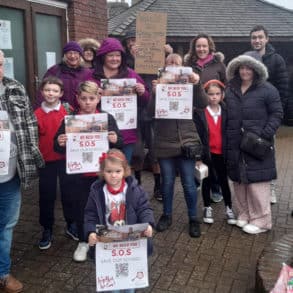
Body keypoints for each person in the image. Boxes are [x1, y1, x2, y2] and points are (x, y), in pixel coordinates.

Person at [54, 81, 123, 262]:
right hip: (79, 175)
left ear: (98, 98)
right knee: (82, 208)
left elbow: (120, 142)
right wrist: (60, 142)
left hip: (104, 175)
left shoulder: (106, 118)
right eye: (83, 98)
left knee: (107, 206)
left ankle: (105, 239)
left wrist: (115, 138)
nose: (87, 102)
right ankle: (84, 241)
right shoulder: (70, 119)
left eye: (91, 98)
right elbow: (58, 146)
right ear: (77, 98)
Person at [149, 53, 208, 237]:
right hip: (164, 140)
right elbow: (150, 112)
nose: (173, 64)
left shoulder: (190, 82)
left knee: (189, 183)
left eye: (177, 62)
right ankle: (167, 215)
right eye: (170, 62)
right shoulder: (158, 84)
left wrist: (197, 84)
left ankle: (193, 218)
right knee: (166, 182)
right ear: (164, 65)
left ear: (183, 65)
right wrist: (154, 94)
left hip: (186, 140)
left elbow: (203, 104)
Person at [0, 50, 44, 293]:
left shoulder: (15, 88)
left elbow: (29, 122)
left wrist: (31, 150)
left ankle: (2, 273)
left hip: (10, 172)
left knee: (6, 225)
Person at [225, 55, 283, 234]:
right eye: (241, 68)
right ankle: (245, 214)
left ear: (256, 70)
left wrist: (265, 134)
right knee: (239, 181)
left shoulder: (268, 89)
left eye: (248, 68)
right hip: (235, 142)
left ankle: (262, 221)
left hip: (257, 143)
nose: (244, 71)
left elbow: (277, 113)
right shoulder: (230, 88)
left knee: (257, 183)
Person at [84, 148, 154, 293]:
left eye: (117, 171)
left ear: (125, 171)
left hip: (130, 243)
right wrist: (90, 232)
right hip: (107, 244)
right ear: (103, 172)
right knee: (111, 284)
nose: (113, 175)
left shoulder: (135, 190)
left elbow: (145, 209)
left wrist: (148, 225)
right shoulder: (97, 192)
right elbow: (90, 214)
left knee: (129, 281)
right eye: (109, 171)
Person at [245, 25, 289, 204]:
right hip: (251, 114)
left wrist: (277, 117)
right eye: (254, 37)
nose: (257, 40)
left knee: (269, 151)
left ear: (267, 39)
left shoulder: (277, 60)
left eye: (260, 37)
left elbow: (284, 89)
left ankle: (270, 188)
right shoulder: (247, 58)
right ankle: (253, 185)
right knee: (249, 149)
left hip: (269, 115)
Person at [35, 76, 79, 250]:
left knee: (69, 194)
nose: (50, 93)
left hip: (66, 160)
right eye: (47, 90)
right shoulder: (36, 114)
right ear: (41, 92)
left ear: (61, 93)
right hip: (46, 162)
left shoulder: (69, 112)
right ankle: (47, 229)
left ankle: (71, 224)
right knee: (46, 196)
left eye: (54, 90)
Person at [91, 37, 150, 163]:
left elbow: (146, 101)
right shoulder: (91, 76)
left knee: (121, 171)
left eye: (118, 55)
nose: (115, 59)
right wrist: (94, 96)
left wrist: (142, 92)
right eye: (110, 55)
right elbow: (80, 99)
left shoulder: (131, 74)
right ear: (103, 57)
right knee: (100, 172)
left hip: (125, 133)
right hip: (99, 131)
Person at [184, 33, 227, 203]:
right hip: (192, 113)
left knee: (212, 151)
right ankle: (196, 178)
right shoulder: (188, 65)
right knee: (195, 148)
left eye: (204, 46)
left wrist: (220, 104)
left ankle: (215, 186)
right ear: (194, 48)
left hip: (212, 112)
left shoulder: (219, 65)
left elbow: (226, 87)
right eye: (198, 46)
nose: (201, 49)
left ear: (210, 47)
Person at [199, 79, 236, 225]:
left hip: (222, 153)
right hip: (208, 153)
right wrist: (199, 156)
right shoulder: (201, 113)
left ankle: (229, 208)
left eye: (217, 94)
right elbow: (199, 136)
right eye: (210, 94)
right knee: (207, 181)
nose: (214, 97)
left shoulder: (226, 111)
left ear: (222, 95)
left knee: (223, 181)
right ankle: (207, 207)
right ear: (205, 95)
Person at [35, 41, 92, 109]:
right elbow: (43, 93)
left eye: (75, 53)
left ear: (80, 55)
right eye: (69, 53)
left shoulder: (87, 72)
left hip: (81, 111)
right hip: (58, 111)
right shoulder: (54, 71)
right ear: (64, 55)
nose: (72, 56)